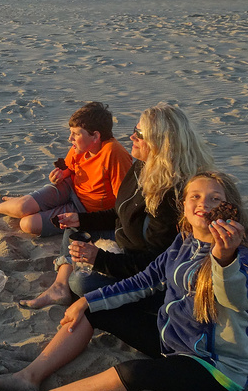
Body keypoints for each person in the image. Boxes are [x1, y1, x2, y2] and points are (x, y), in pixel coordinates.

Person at [0, 172, 248, 391]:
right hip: (171, 341)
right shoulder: (183, 243)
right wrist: (86, 301)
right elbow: (144, 282)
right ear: (184, 205)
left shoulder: (239, 257)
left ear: (229, 208)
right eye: (195, 196)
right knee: (96, 310)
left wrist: (224, 260)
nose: (204, 203)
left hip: (215, 368)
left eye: (215, 199)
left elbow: (236, 299)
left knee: (135, 372)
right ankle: (29, 377)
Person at [20, 103, 214, 308]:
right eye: (134, 130)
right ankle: (59, 286)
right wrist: (83, 219)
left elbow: (155, 263)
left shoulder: (173, 196)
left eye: (139, 134)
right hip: (125, 238)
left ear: (160, 142)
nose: (132, 137)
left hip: (141, 264)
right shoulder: (143, 166)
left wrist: (101, 260)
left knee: (81, 282)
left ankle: (74, 286)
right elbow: (122, 211)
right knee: (74, 223)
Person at [0, 102, 132, 237]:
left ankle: (24, 201)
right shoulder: (80, 148)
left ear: (95, 136)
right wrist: (59, 176)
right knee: (22, 208)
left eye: (75, 134)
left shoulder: (113, 153)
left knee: (27, 224)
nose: (70, 138)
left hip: (84, 209)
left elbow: (124, 200)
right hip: (69, 188)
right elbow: (69, 169)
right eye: (70, 132)